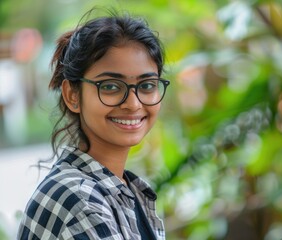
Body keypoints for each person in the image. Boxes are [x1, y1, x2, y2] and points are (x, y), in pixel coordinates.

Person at [17, 10, 169, 240]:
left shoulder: (128, 190)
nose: (133, 103)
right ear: (73, 96)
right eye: (110, 86)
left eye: (147, 85)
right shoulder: (81, 201)